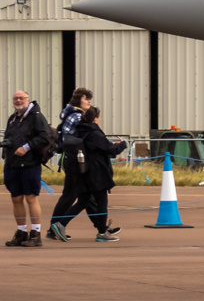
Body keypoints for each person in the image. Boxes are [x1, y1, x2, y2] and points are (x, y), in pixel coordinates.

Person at [53, 106, 126, 242]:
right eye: (99, 117)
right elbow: (110, 149)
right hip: (96, 173)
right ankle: (102, 233)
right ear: (95, 119)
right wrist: (122, 145)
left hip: (82, 172)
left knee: (82, 202)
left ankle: (60, 224)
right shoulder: (95, 132)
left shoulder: (79, 130)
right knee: (102, 202)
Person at [4, 90, 52, 247]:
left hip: (30, 163)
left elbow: (44, 136)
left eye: (21, 98)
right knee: (16, 198)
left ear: (28, 99)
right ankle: (21, 232)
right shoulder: (13, 118)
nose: (18, 101)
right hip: (13, 163)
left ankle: (36, 233)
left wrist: (26, 147)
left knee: (31, 197)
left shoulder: (36, 117)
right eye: (15, 98)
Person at [47, 87, 94, 241]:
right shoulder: (76, 116)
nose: (89, 101)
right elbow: (69, 137)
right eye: (86, 98)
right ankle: (54, 227)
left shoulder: (71, 114)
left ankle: (102, 225)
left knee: (79, 196)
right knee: (71, 195)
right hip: (75, 160)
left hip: (71, 159)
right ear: (79, 99)